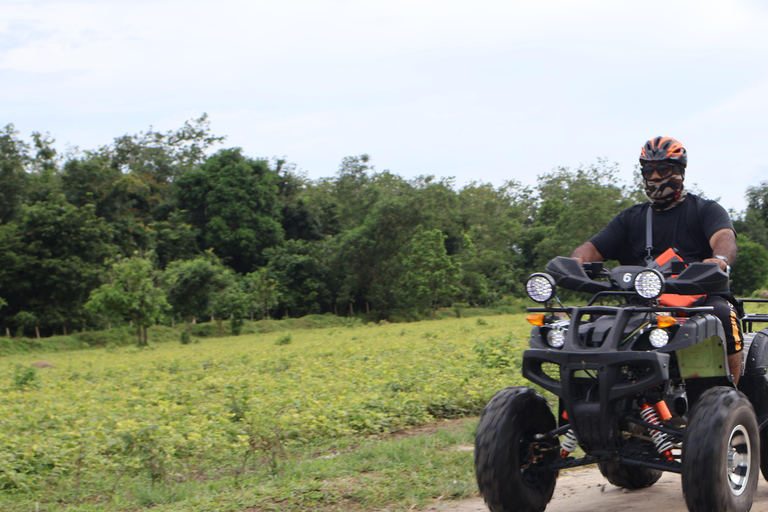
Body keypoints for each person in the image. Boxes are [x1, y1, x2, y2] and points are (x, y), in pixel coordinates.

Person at [570, 136, 744, 385]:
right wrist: (577, 261)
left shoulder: (705, 210)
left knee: (721, 314)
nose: (654, 176)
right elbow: (592, 248)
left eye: (662, 168)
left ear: (679, 171)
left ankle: (731, 399)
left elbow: (724, 238)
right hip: (643, 302)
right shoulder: (630, 218)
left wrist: (718, 259)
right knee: (595, 323)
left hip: (700, 298)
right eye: (648, 170)